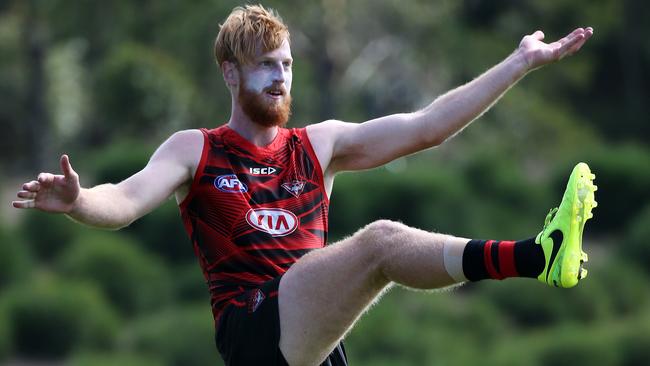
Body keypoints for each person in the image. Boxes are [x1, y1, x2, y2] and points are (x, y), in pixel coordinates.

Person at [12, 4, 597, 366]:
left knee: (375, 251)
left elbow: (428, 129)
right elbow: (125, 200)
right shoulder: (197, 149)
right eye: (267, 64)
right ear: (231, 72)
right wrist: (80, 201)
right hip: (253, 332)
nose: (280, 77)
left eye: (287, 65)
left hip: (313, 347)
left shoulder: (319, 145)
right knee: (379, 242)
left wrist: (518, 62)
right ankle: (536, 256)